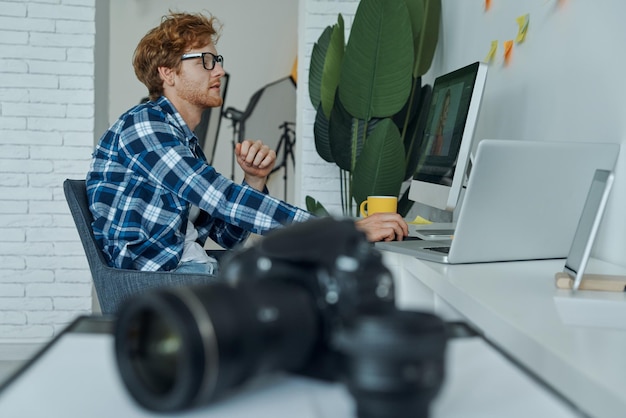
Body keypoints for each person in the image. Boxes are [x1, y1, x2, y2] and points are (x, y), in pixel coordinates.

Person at [86, 11, 408, 277]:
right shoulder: (146, 127)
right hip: (158, 279)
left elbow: (227, 236)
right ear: (168, 73)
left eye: (218, 60)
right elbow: (221, 198)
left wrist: (254, 179)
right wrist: (341, 231)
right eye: (206, 61)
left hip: (189, 267)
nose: (221, 70)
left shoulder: (181, 139)